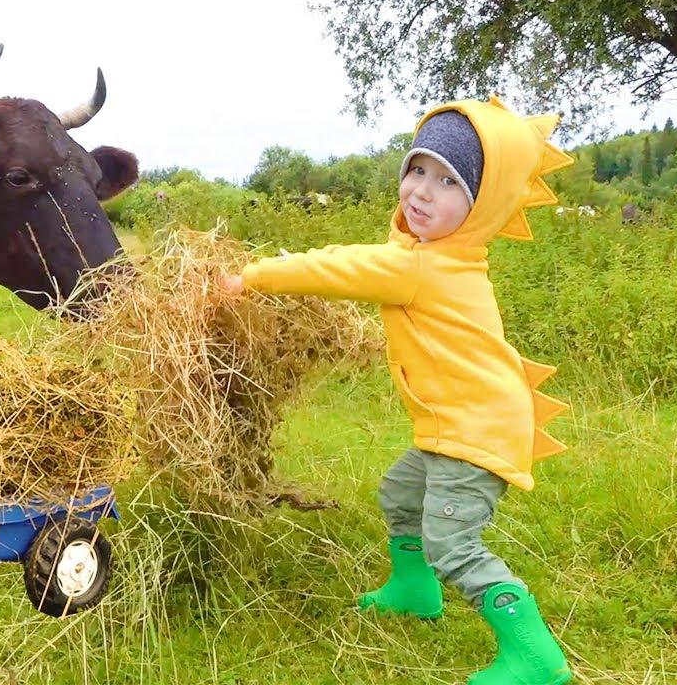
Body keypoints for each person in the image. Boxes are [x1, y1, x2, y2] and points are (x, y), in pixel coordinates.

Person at [219, 95, 575, 684]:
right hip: (455, 422)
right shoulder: (441, 256)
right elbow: (364, 259)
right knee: (400, 495)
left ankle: (536, 656)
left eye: (448, 182)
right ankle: (415, 590)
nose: (421, 192)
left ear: (485, 203)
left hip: (474, 429)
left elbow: (337, 268)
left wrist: (248, 278)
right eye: (417, 170)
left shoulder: (421, 267)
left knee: (452, 541)